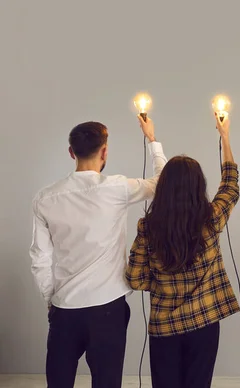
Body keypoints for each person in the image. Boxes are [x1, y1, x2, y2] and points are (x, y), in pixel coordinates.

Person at [30, 116, 166, 388]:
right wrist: (152, 139)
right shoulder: (117, 188)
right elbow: (163, 181)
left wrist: (51, 301)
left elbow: (39, 258)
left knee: (58, 383)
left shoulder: (45, 198)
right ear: (104, 151)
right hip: (108, 308)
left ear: (71, 153)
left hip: (64, 307)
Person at [126, 112, 240, 388]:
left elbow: (135, 279)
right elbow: (231, 185)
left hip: (164, 327)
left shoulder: (148, 228)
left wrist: (152, 139)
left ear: (162, 189)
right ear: (198, 186)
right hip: (204, 324)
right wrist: (224, 136)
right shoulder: (211, 219)